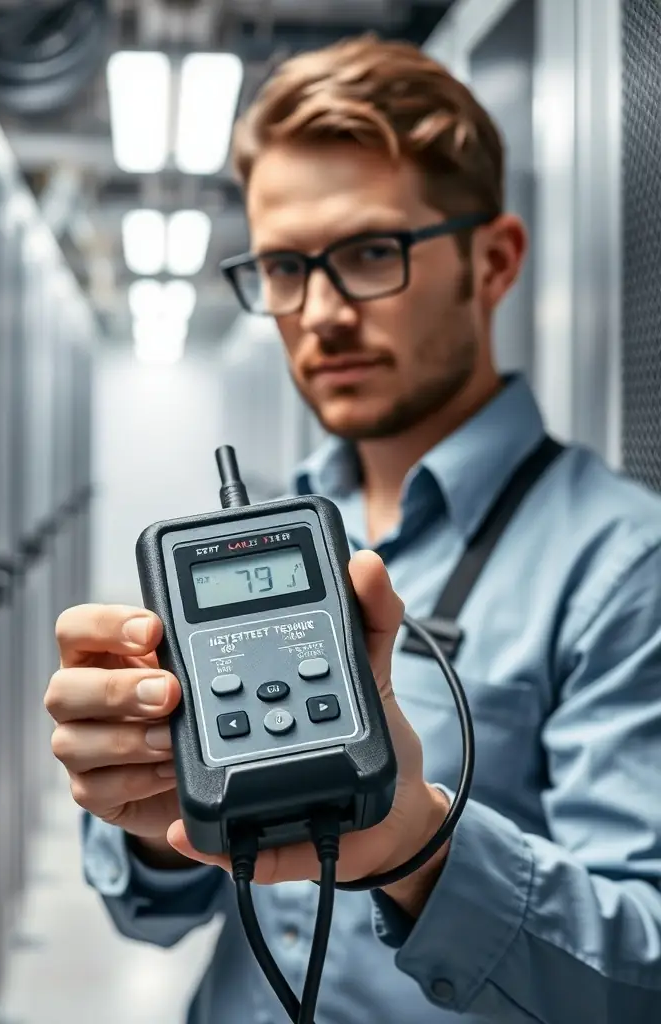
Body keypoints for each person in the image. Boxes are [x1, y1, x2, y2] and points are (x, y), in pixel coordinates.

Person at [44, 35, 661, 1024]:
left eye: (371, 252)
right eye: (285, 267)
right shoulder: (257, 550)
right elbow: (156, 918)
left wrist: (422, 845)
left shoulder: (625, 566)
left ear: (492, 260)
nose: (320, 312)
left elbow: (646, 975)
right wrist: (155, 815)